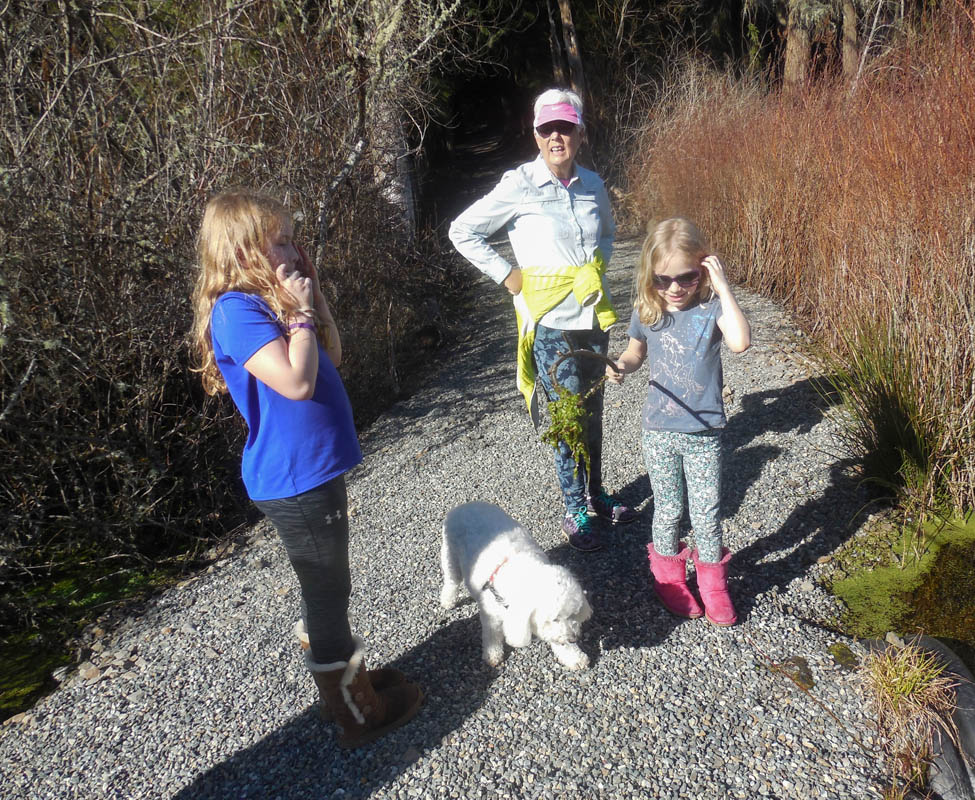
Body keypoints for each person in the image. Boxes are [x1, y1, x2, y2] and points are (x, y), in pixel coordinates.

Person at [189, 190, 422, 747]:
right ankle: (355, 713)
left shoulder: (271, 302)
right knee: (327, 591)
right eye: (283, 242)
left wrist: (314, 300)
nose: (295, 251)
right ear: (243, 251)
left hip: (312, 471)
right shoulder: (237, 310)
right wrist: (296, 314)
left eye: (294, 240)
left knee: (328, 587)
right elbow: (296, 383)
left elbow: (329, 358)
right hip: (294, 478)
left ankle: (344, 684)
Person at [449, 88, 637, 553]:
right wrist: (507, 275)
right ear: (535, 135)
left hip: (593, 318)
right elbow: (462, 230)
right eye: (547, 128)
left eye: (565, 127)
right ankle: (575, 509)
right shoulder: (520, 185)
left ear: (580, 133)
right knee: (567, 416)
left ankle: (596, 494)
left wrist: (596, 266)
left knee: (592, 411)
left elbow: (607, 235)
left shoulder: (593, 185)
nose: (557, 136)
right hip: (550, 322)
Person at [606, 218, 751, 626]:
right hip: (658, 431)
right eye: (663, 279)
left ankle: (713, 586)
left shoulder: (712, 309)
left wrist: (723, 288)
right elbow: (635, 354)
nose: (674, 288)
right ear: (649, 276)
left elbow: (740, 342)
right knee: (668, 509)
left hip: (703, 434)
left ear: (702, 271)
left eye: (686, 277)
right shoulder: (647, 311)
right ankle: (668, 579)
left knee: (706, 513)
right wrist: (620, 365)